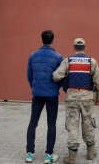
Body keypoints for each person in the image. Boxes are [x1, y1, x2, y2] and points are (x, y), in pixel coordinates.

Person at [53, 38, 99, 164]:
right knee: (88, 123)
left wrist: (66, 77)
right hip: (87, 98)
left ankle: (72, 157)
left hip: (72, 98)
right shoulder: (91, 61)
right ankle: (91, 153)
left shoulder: (68, 61)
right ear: (84, 47)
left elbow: (56, 76)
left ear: (74, 47)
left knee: (72, 124)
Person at [25, 30, 63, 163]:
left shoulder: (33, 56)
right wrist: (55, 88)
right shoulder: (58, 57)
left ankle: (29, 153)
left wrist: (35, 87)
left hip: (37, 94)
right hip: (52, 95)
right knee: (51, 124)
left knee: (33, 123)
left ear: (41, 39)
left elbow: (29, 76)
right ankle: (48, 155)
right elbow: (61, 77)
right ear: (53, 40)